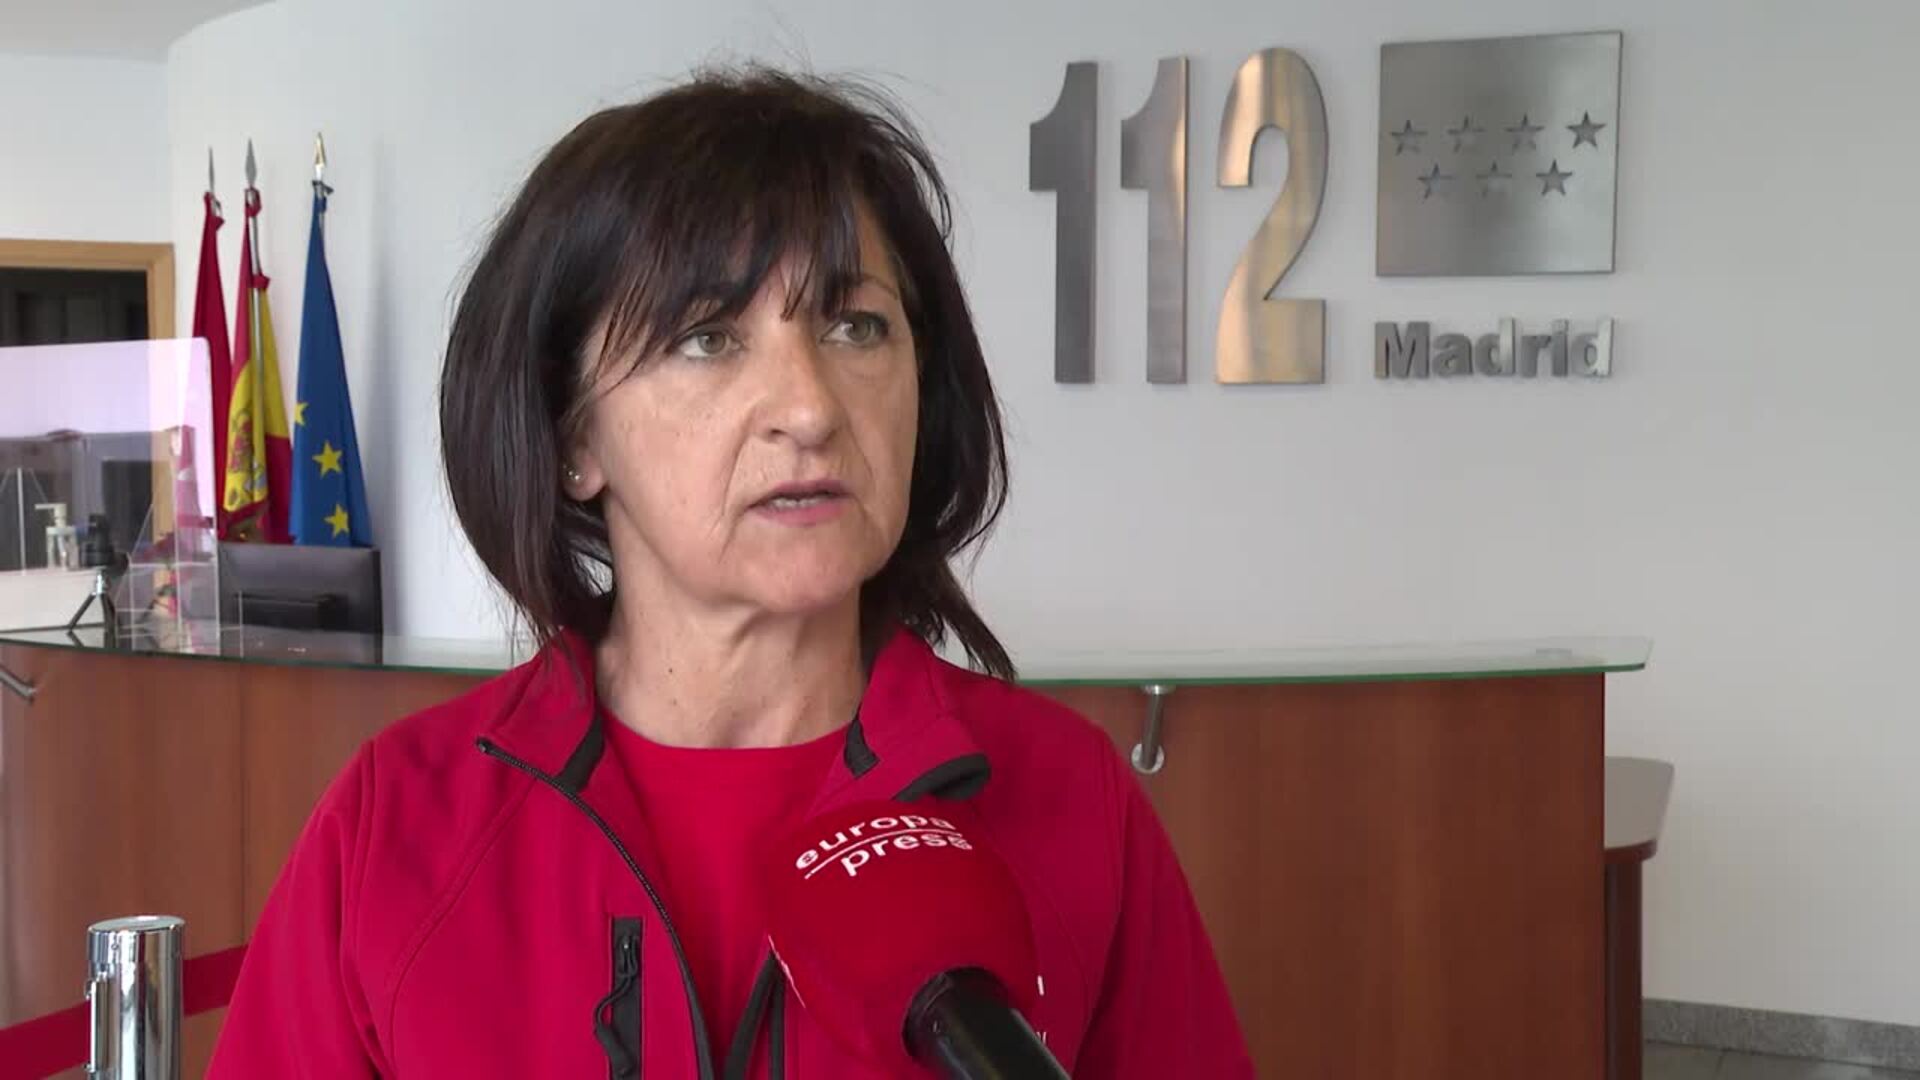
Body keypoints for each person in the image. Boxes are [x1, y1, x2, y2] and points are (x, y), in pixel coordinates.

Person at [209, 66, 1251, 1078]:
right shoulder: (395, 828)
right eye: (708, 339)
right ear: (573, 436)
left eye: (856, 326)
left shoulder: (1073, 804)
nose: (810, 406)